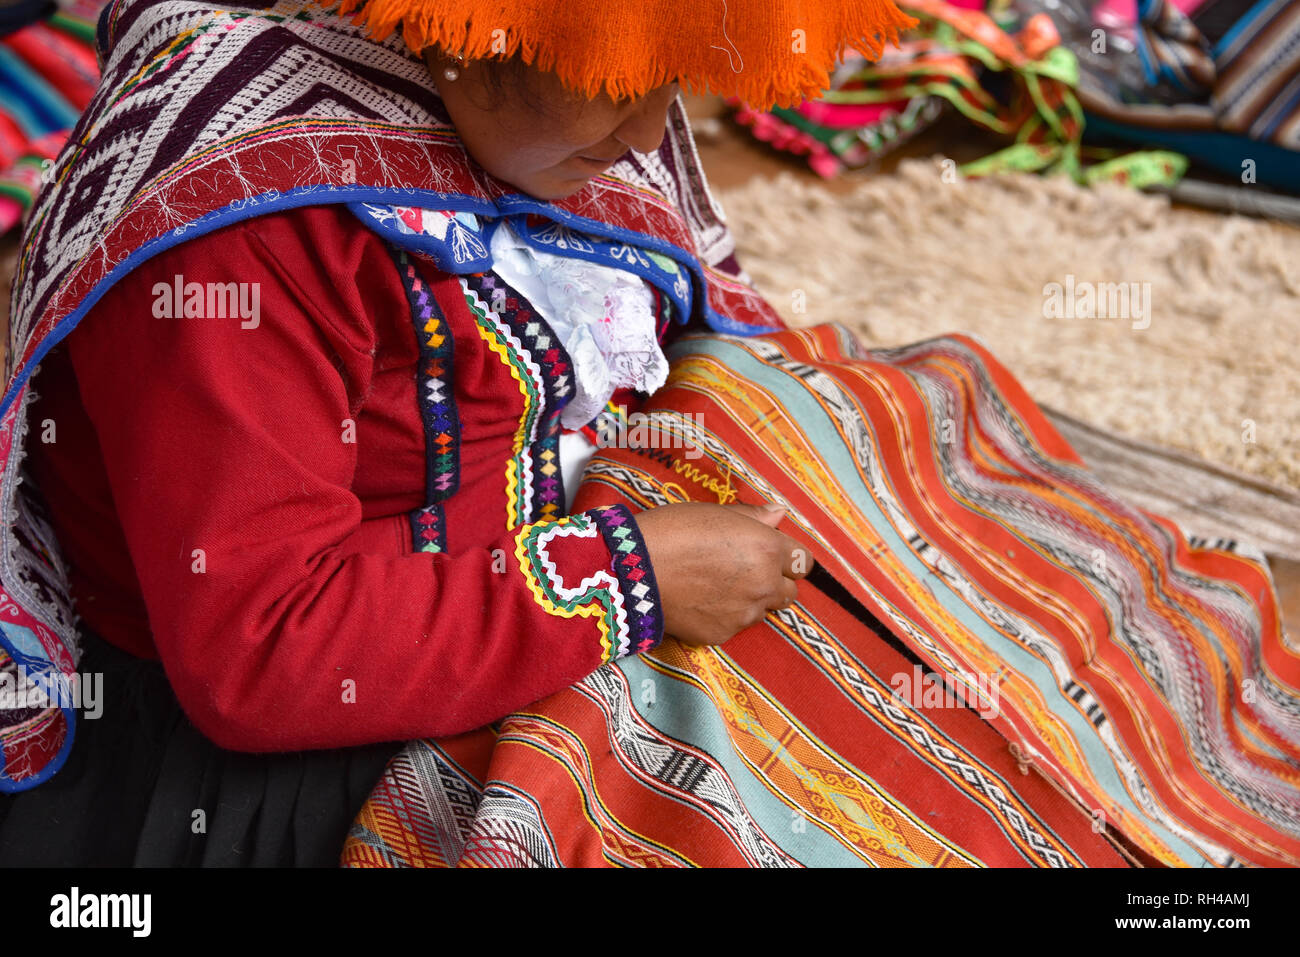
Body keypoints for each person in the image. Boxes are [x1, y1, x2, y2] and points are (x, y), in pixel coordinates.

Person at [2, 0, 1297, 867]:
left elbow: (697, 298)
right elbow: (267, 657)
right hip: (268, 760)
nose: (645, 134)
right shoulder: (237, 236)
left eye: (673, 85)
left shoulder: (543, 84)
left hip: (513, 549)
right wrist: (634, 575)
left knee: (925, 451)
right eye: (620, 85)